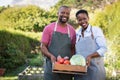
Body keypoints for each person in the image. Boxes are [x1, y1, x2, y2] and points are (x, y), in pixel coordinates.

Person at [40, 5, 76, 80]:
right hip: (51, 67)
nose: (65, 15)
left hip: (66, 68)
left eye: (67, 13)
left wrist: (71, 61)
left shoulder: (72, 30)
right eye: (62, 12)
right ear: (58, 13)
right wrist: (51, 56)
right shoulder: (49, 28)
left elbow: (73, 48)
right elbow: (43, 46)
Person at [75, 9, 107, 80]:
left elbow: (103, 48)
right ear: (77, 21)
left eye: (84, 19)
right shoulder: (77, 33)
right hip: (80, 70)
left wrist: (90, 56)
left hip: (95, 69)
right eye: (80, 20)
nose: (82, 21)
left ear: (88, 18)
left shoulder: (96, 30)